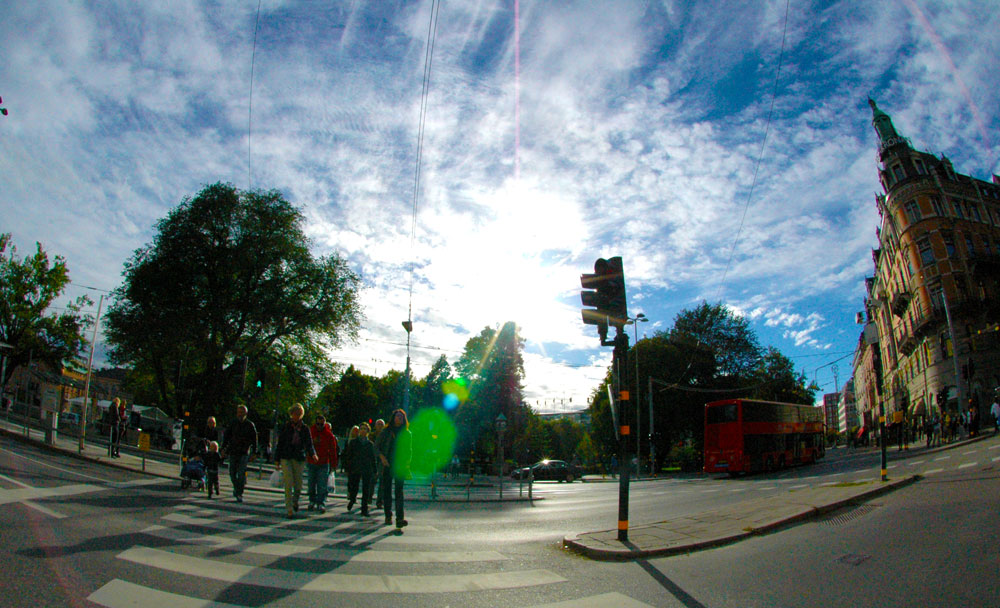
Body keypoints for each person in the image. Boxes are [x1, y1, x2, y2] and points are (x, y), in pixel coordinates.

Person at [274, 403, 317, 518]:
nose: (296, 416)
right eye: (295, 413)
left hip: (299, 458)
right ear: (291, 414)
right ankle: (289, 508)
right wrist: (276, 460)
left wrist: (313, 454)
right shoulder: (286, 427)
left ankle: (295, 500)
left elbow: (309, 443)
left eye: (299, 414)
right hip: (286, 456)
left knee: (298, 485)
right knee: (288, 483)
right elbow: (280, 444)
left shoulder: (304, 429)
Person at [379, 409, 412, 529]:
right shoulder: (386, 431)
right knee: (387, 491)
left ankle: (400, 518)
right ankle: (388, 515)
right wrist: (382, 458)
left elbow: (409, 451)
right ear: (393, 418)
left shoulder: (407, 433)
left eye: (401, 417)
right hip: (388, 464)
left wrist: (407, 465)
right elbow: (376, 447)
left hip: (400, 466)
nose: (399, 418)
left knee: (399, 492)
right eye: (397, 416)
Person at [221, 405, 257, 503]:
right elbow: (227, 436)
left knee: (241, 474)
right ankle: (236, 488)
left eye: (242, 412)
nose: (240, 414)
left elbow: (254, 440)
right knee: (232, 473)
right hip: (233, 451)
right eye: (239, 412)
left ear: (246, 413)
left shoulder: (250, 425)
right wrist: (223, 449)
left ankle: (239, 493)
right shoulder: (233, 423)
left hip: (244, 452)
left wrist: (254, 452)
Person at [307, 414, 339, 514]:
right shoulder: (310, 432)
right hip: (312, 462)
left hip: (324, 463)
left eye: (321, 424)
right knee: (311, 484)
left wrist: (334, 465)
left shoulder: (329, 435)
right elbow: (306, 445)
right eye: (318, 424)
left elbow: (333, 450)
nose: (319, 426)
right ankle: (312, 500)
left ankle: (321, 502)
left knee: (322, 485)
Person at [346, 422, 378, 516]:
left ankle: (364, 508)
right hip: (355, 467)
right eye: (361, 429)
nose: (363, 430)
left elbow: (372, 458)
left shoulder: (370, 444)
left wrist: (375, 470)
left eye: (365, 429)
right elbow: (349, 456)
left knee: (366, 489)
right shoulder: (354, 442)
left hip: (366, 468)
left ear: (368, 431)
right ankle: (352, 499)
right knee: (354, 487)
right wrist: (348, 467)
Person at [342, 425, 360, 510]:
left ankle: (353, 497)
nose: (356, 432)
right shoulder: (348, 441)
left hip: (357, 465)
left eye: (357, 431)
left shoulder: (360, 442)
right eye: (354, 430)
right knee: (350, 481)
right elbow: (345, 454)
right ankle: (350, 494)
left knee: (356, 482)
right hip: (350, 464)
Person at [372, 418, 386, 508]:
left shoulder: (386, 436)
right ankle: (368, 497)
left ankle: (379, 501)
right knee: (372, 481)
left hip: (381, 460)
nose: (380, 426)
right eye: (378, 424)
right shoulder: (371, 436)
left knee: (382, 482)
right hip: (372, 460)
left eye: (381, 424)